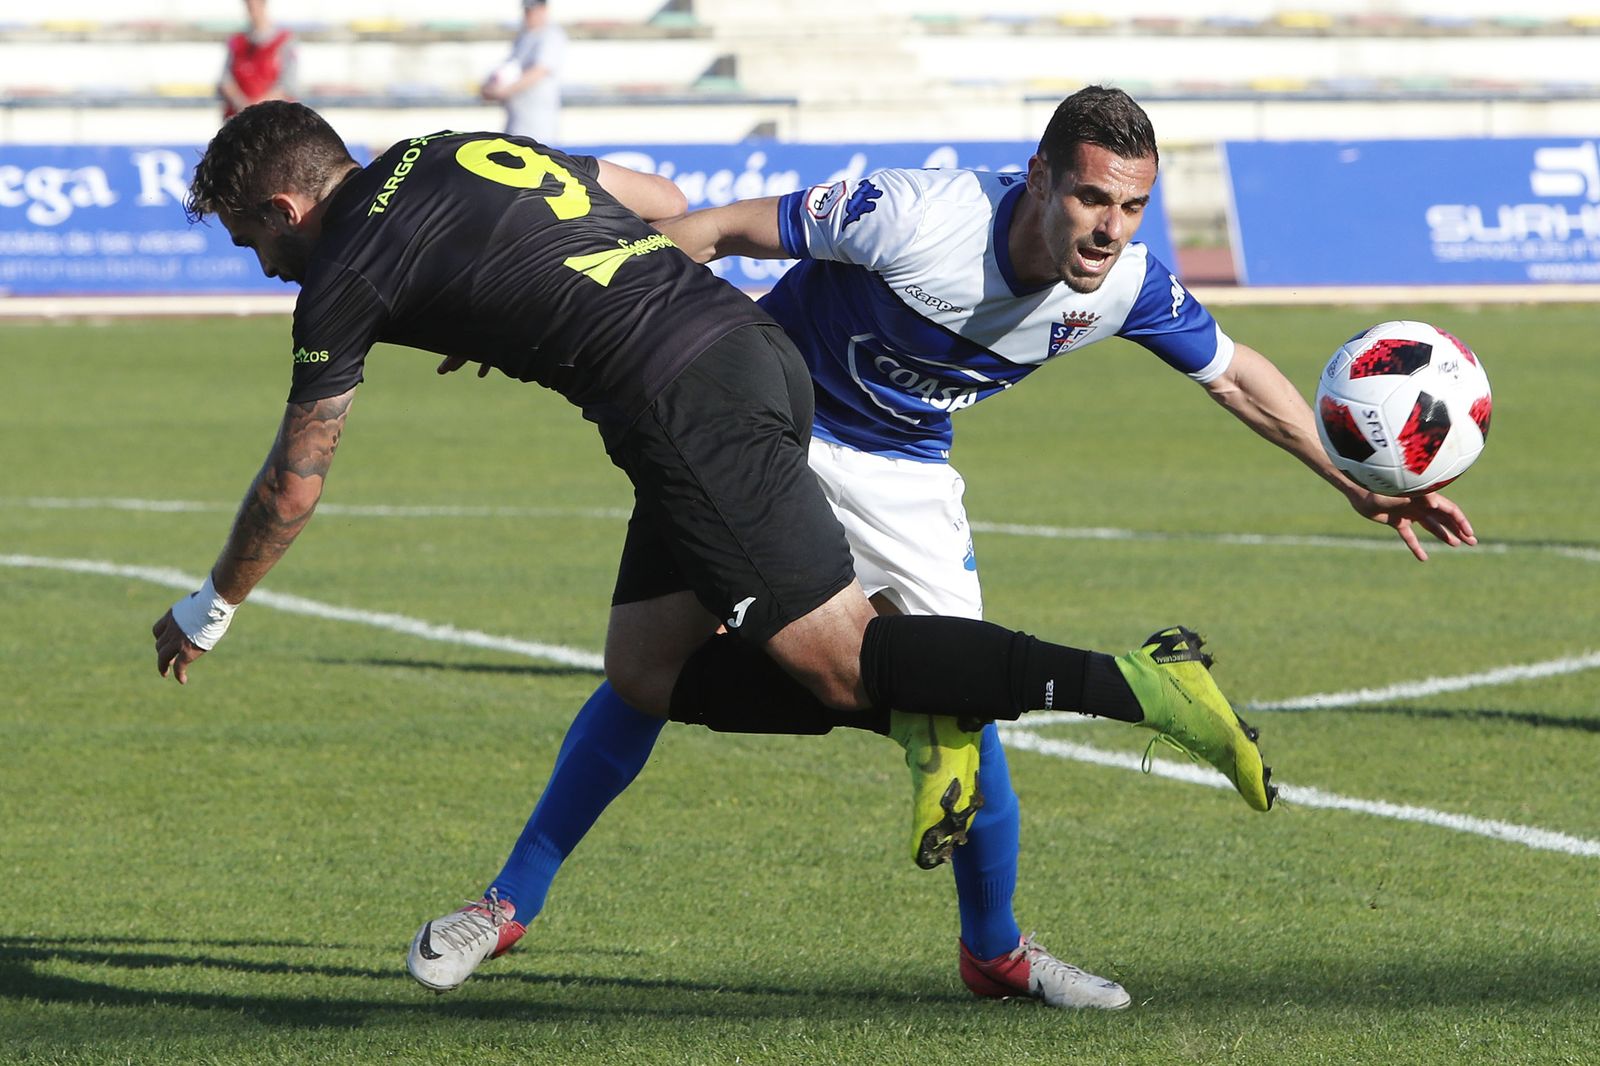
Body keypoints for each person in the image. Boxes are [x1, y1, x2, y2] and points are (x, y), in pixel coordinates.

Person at [404, 86, 1478, 1009]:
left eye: (1132, 206)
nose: (1109, 228)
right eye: (1091, 198)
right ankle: (504, 905)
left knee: (962, 692)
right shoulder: (911, 213)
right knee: (642, 672)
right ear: (1039, 180)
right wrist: (538, 307)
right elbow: (712, 232)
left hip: (905, 477)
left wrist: (1355, 485)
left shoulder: (1126, 288)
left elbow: (1236, 374)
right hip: (758, 428)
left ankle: (994, 952)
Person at [480, 0, 567, 143]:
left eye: (532, 9)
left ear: (543, 9)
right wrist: (490, 87)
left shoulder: (551, 35)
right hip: (516, 119)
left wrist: (505, 91)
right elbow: (508, 68)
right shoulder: (524, 36)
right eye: (527, 10)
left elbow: (540, 70)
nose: (529, 14)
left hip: (538, 122)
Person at [218, 0, 297, 121]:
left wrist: (257, 105)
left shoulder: (284, 41)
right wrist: (243, 105)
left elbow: (287, 85)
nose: (253, 11)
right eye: (249, 6)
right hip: (239, 119)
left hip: (274, 118)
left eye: (255, 5)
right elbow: (226, 81)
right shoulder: (237, 42)